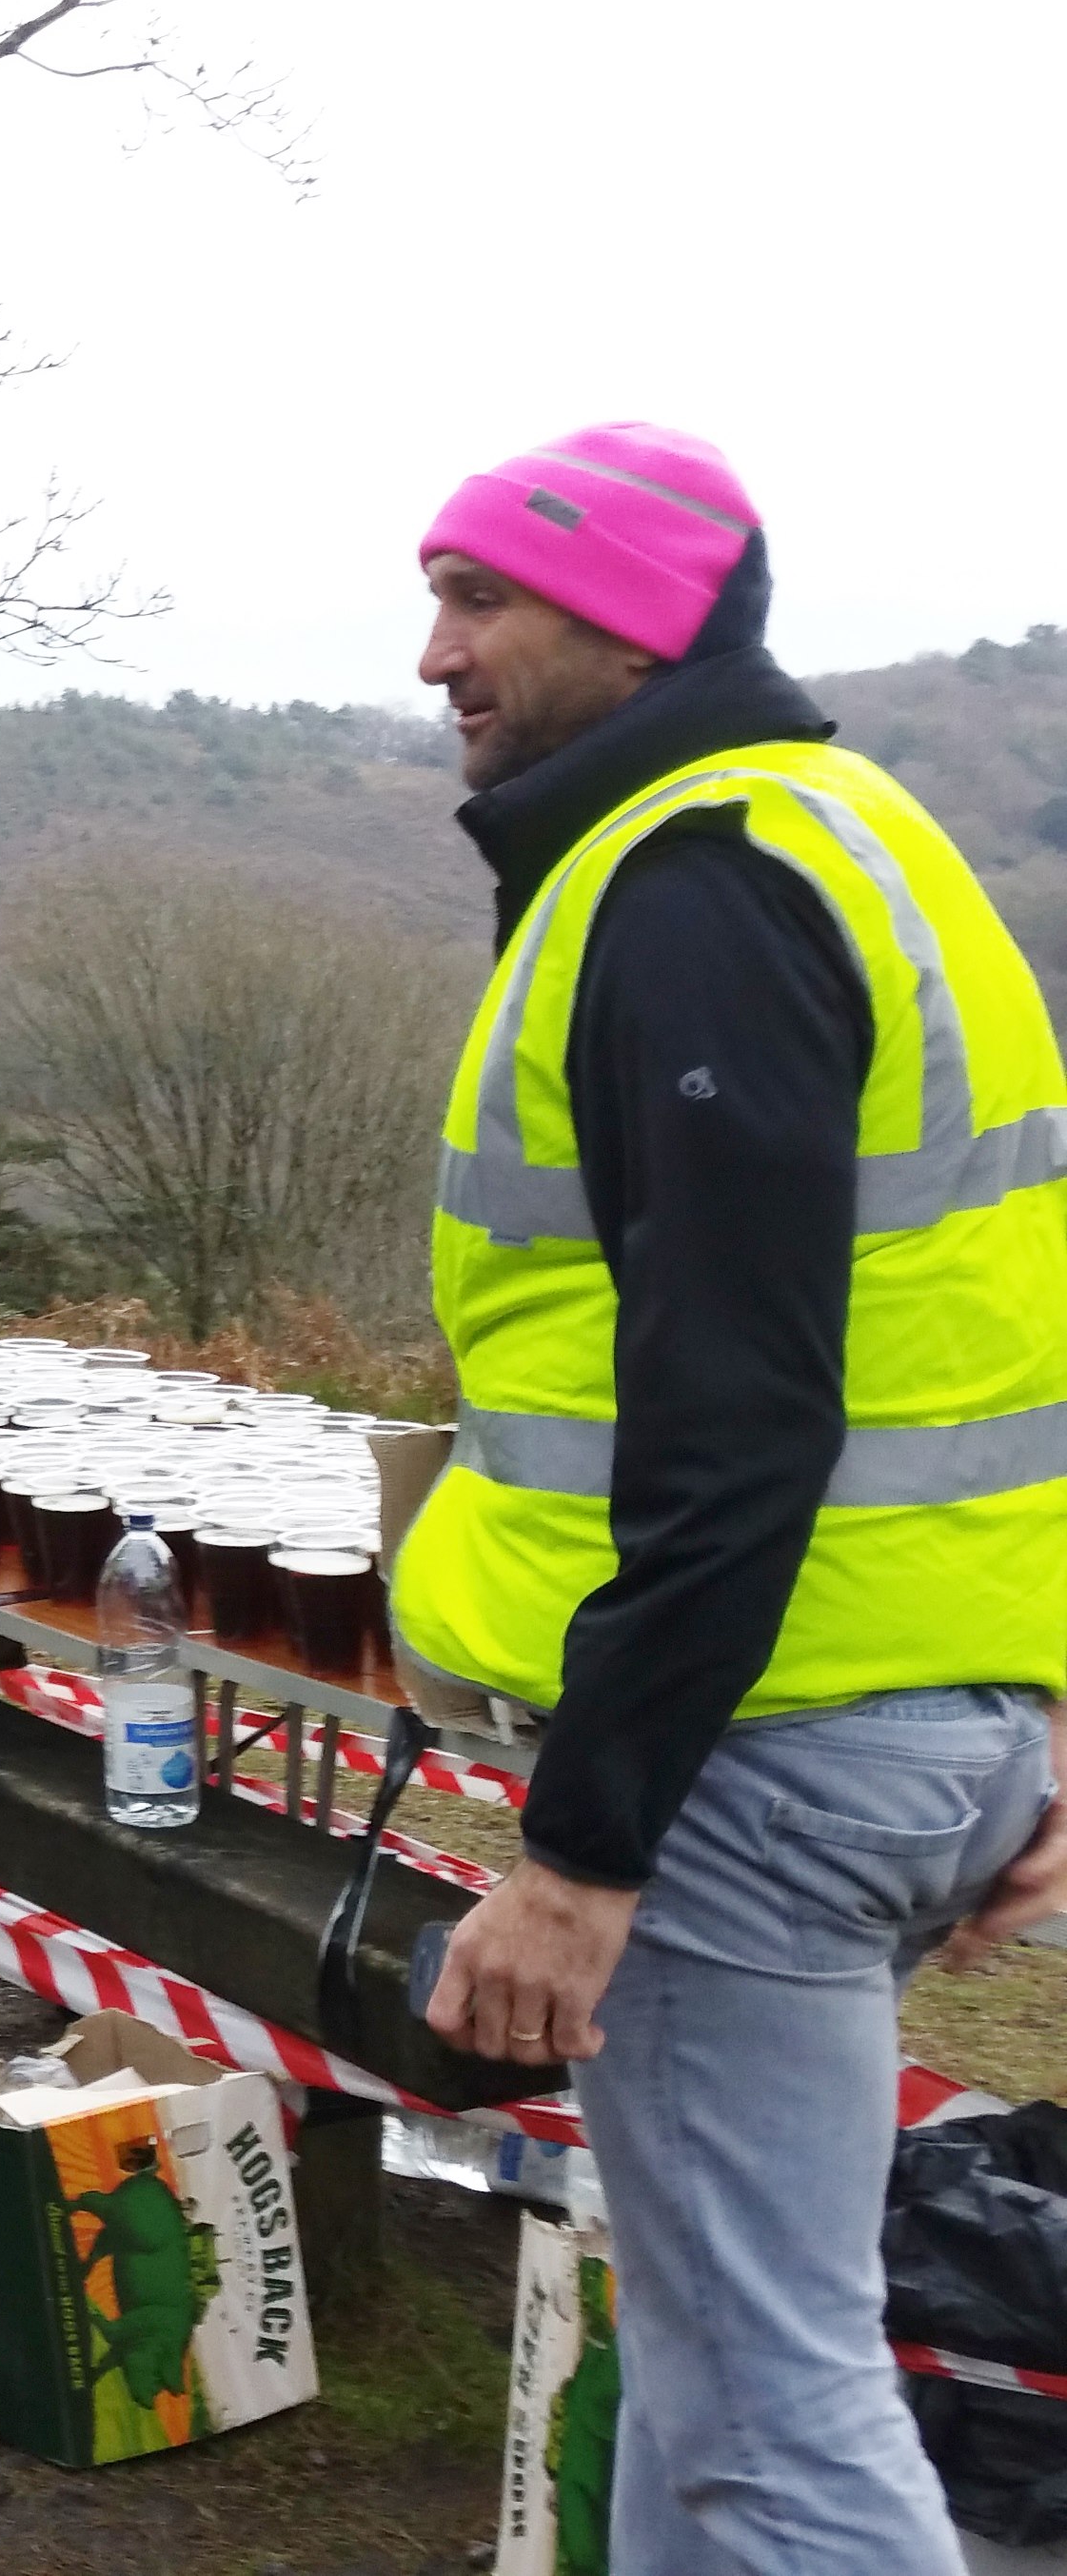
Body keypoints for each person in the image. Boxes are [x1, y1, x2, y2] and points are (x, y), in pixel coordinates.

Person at [395, 425, 1067, 2574]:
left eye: (482, 595)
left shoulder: (699, 888)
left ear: (642, 617)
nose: (436, 651)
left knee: (776, 2400)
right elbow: (971, 1339)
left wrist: (585, 1851)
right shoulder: (853, 842)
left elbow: (740, 1409)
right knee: (706, 2363)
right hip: (901, 1711)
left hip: (755, 1758)